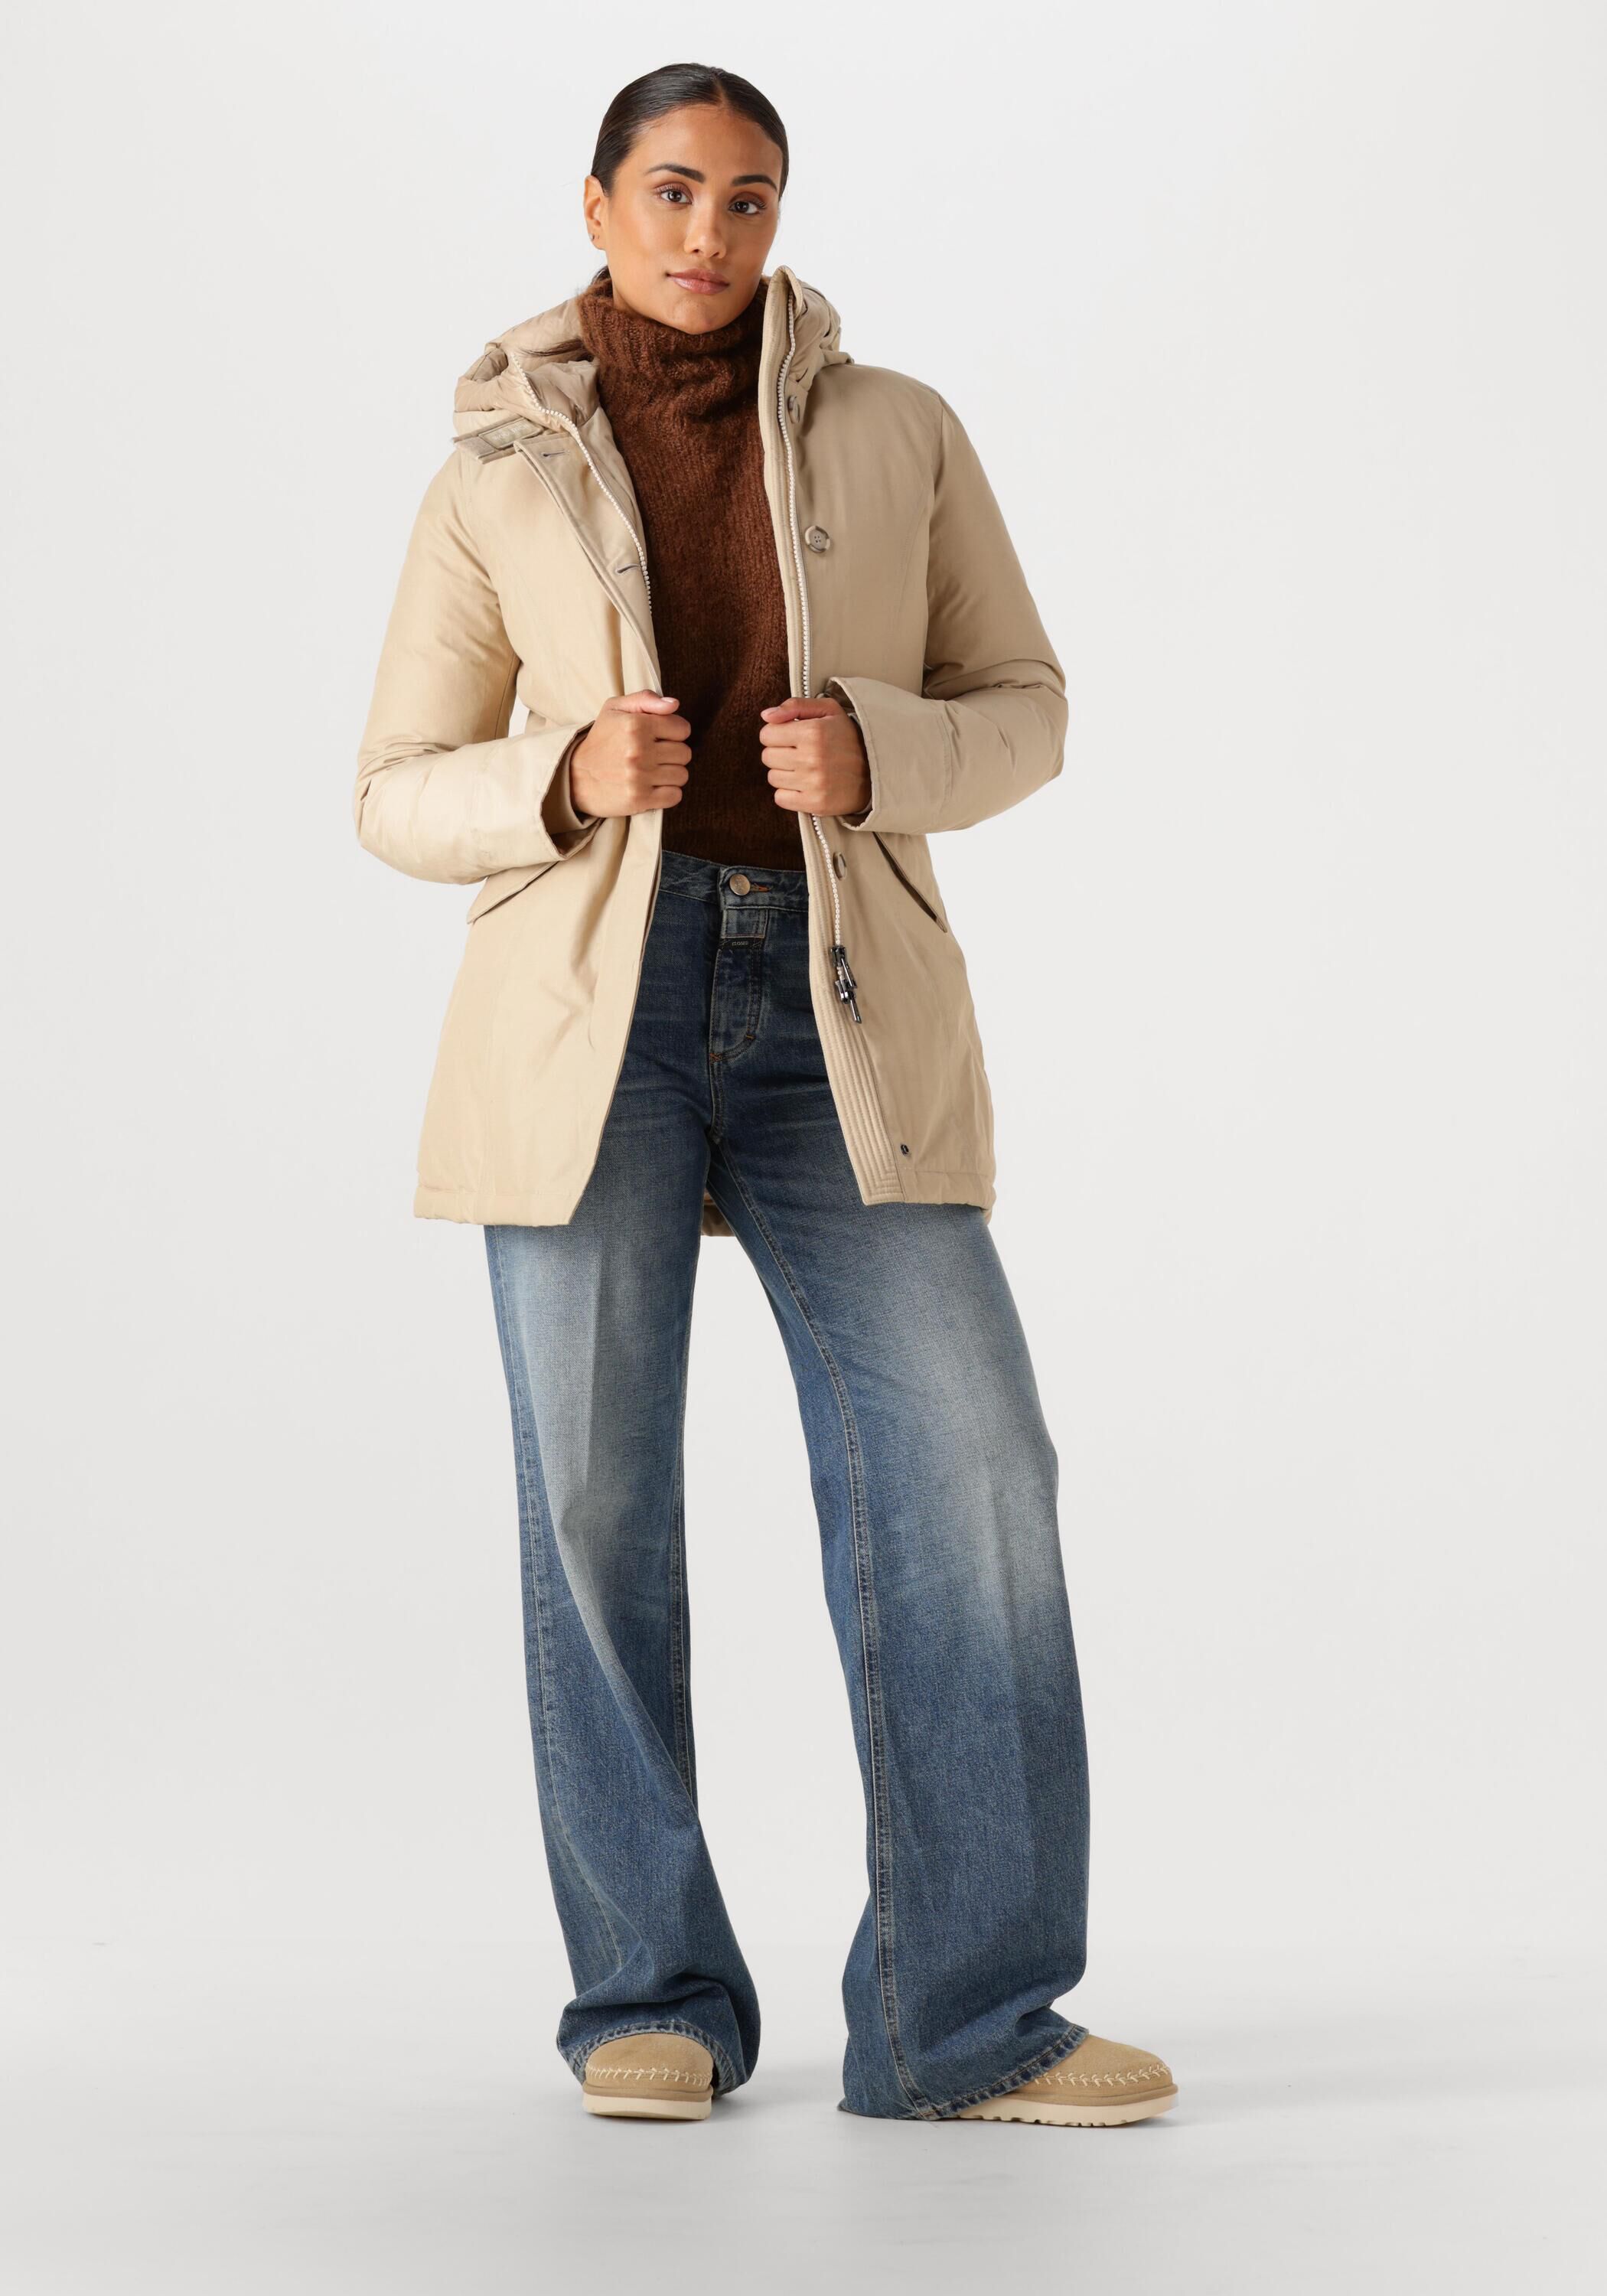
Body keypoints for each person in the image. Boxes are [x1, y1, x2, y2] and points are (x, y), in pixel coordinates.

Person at [354, 60, 1175, 2128]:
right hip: (587, 1018)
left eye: (746, 197)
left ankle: (965, 2021)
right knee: (594, 1506)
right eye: (670, 192)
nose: (707, 234)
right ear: (597, 204)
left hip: (840, 1012)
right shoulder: (492, 472)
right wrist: (561, 778)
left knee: (971, 1470)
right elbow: (393, 790)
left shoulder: (901, 430)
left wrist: (880, 749)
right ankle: (648, 1991)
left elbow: (1028, 708)